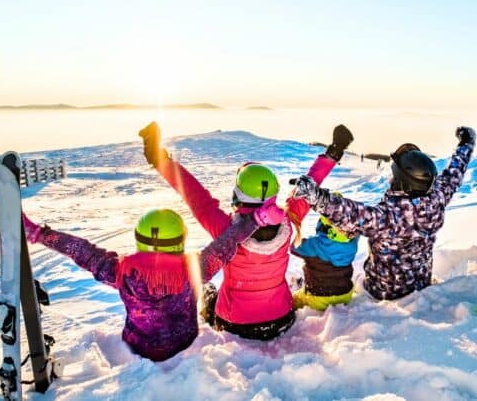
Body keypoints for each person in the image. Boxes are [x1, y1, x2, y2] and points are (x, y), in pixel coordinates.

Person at [139, 122, 353, 340]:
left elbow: (195, 196)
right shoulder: (289, 222)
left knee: (208, 292)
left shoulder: (227, 231)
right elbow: (310, 185)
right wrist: (334, 152)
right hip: (281, 318)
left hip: (235, 323)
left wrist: (160, 160)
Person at [21, 202, 283, 361]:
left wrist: (40, 235)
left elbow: (82, 251)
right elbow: (227, 243)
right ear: (180, 239)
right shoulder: (195, 269)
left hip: (139, 347)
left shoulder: (121, 271)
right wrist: (256, 220)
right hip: (185, 342)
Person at [290, 126, 476, 301]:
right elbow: (454, 174)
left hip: (383, 292)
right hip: (420, 283)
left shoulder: (388, 217)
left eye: (394, 176)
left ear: (402, 182)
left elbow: (349, 213)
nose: (390, 179)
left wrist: (315, 196)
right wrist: (466, 144)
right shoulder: (437, 199)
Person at [291, 200, 360, 311]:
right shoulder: (352, 244)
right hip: (345, 295)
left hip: (318, 298)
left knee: (292, 300)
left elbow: (294, 248)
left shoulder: (315, 245)